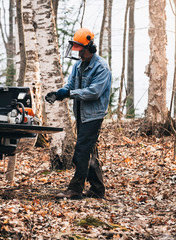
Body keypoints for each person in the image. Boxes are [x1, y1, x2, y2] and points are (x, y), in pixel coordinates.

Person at [45, 28, 112, 199]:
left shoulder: (101, 67)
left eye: (80, 50)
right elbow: (70, 86)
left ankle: (75, 189)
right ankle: (97, 190)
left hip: (94, 115)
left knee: (81, 152)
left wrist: (70, 94)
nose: (78, 54)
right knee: (90, 151)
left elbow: (93, 92)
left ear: (89, 48)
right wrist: (59, 93)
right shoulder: (78, 66)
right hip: (81, 114)